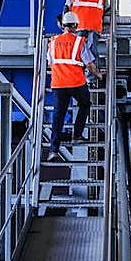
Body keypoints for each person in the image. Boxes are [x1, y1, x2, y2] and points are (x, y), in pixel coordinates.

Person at [47, 11, 99, 159]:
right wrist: (99, 75)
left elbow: (50, 62)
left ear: (62, 26)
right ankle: (77, 135)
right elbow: (89, 65)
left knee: (58, 115)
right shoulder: (79, 42)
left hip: (58, 84)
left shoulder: (53, 42)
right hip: (76, 83)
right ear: (76, 26)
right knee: (85, 104)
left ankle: (53, 150)